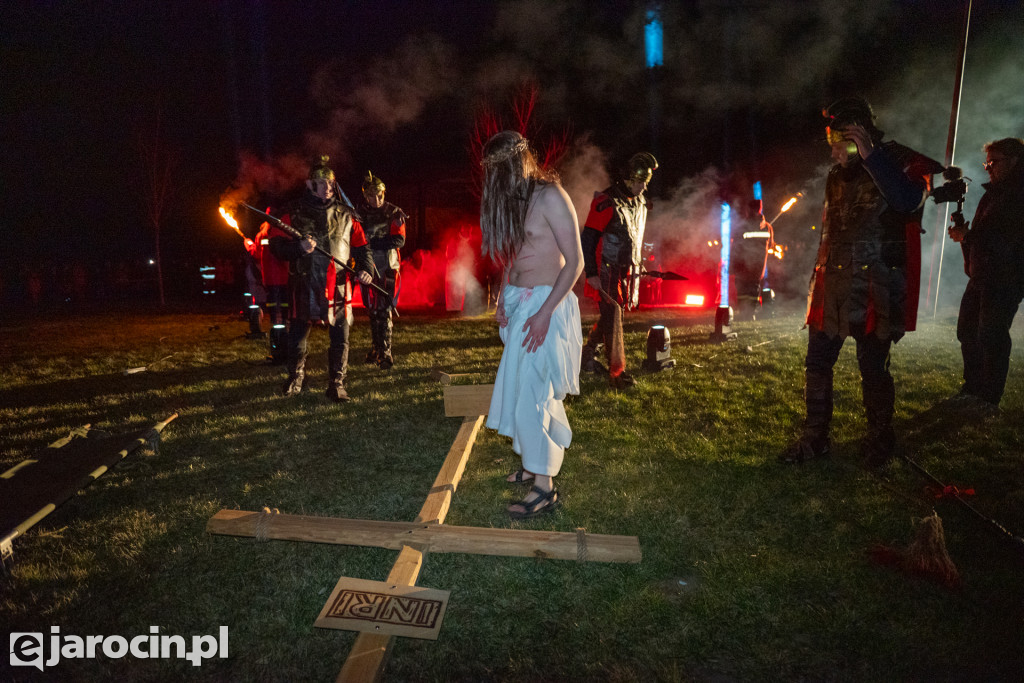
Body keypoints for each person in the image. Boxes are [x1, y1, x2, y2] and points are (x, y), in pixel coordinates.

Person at [780, 96, 942, 468]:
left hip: (877, 288)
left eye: (840, 142)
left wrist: (871, 156)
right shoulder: (837, 176)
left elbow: (906, 201)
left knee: (873, 367)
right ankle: (815, 438)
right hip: (834, 283)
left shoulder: (904, 164)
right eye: (833, 144)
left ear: (858, 135)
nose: (834, 153)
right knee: (817, 362)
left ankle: (879, 438)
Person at [480, 131, 584, 519]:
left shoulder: (551, 196)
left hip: (546, 304)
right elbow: (513, 254)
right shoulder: (515, 199)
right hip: (519, 304)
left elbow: (575, 263)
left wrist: (544, 314)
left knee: (533, 394)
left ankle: (545, 489)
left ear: (518, 163)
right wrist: (501, 301)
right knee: (519, 388)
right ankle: (530, 465)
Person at [270, 155, 373, 403]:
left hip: (338, 285)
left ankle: (337, 384)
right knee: (297, 337)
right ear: (309, 185)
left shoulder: (347, 214)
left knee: (341, 337)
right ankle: (295, 379)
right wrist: (298, 249)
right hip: (304, 284)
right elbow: (275, 247)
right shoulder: (292, 212)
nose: (328, 187)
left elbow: (361, 247)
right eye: (322, 183)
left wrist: (365, 268)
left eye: (331, 183)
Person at [948, 137, 1024, 409]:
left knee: (991, 334)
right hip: (981, 275)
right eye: (987, 162)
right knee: (967, 330)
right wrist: (965, 236)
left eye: (995, 162)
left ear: (1015, 161)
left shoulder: (1017, 195)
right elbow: (984, 235)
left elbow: (1004, 239)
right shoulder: (993, 193)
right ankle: (973, 387)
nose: (988, 168)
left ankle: (988, 398)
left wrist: (969, 236)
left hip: (1005, 277)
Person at [580, 151, 659, 389]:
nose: (643, 187)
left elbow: (633, 234)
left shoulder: (640, 201)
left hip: (626, 270)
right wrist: (591, 273)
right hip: (606, 270)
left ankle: (587, 355)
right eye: (640, 182)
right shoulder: (606, 201)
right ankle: (617, 372)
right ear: (628, 179)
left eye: (645, 182)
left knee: (611, 314)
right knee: (614, 316)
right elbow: (589, 238)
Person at [356, 171, 406, 369]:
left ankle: (385, 352)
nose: (376, 200)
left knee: (384, 309)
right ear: (365, 196)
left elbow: (399, 240)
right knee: (372, 309)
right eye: (371, 196)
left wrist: (373, 242)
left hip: (387, 267)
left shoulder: (394, 213)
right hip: (366, 265)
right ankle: (376, 348)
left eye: (379, 195)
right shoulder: (358, 213)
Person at [248, 214, 292, 364]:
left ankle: (279, 337)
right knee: (285, 306)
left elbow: (257, 253)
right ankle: (285, 332)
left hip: (272, 277)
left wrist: (250, 247)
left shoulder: (262, 234)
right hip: (285, 276)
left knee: (275, 308)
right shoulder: (285, 229)